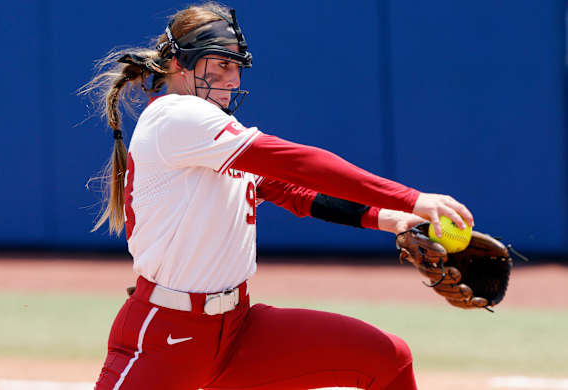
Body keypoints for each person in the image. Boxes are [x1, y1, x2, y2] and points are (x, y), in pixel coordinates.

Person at [79, 3, 473, 390]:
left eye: (236, 66)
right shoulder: (175, 117)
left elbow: (292, 191)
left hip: (239, 331)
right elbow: (299, 164)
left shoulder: (212, 132)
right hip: (166, 336)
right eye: (221, 64)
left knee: (387, 359)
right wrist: (410, 199)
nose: (233, 79)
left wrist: (389, 218)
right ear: (180, 64)